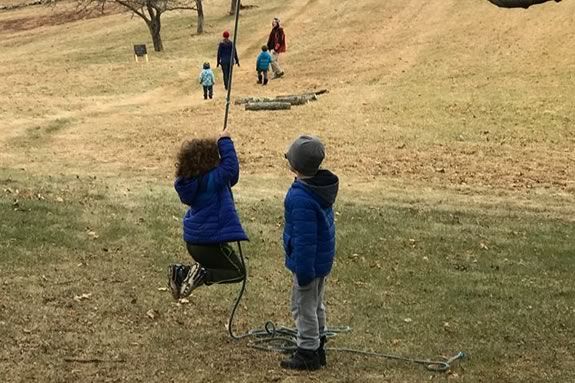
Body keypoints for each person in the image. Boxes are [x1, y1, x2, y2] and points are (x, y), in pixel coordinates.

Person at [280, 135, 339, 370]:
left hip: (308, 266)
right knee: (316, 305)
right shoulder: (319, 189)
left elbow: (305, 240)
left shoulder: (300, 198)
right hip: (320, 264)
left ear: (295, 166)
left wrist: (303, 271)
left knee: (303, 307)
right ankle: (318, 344)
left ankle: (307, 353)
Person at [168, 130, 248, 300]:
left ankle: (181, 272)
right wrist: (225, 141)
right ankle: (201, 275)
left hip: (194, 242)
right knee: (238, 272)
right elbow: (230, 167)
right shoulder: (211, 180)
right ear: (211, 161)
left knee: (220, 269)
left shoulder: (193, 183)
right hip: (210, 242)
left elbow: (231, 176)